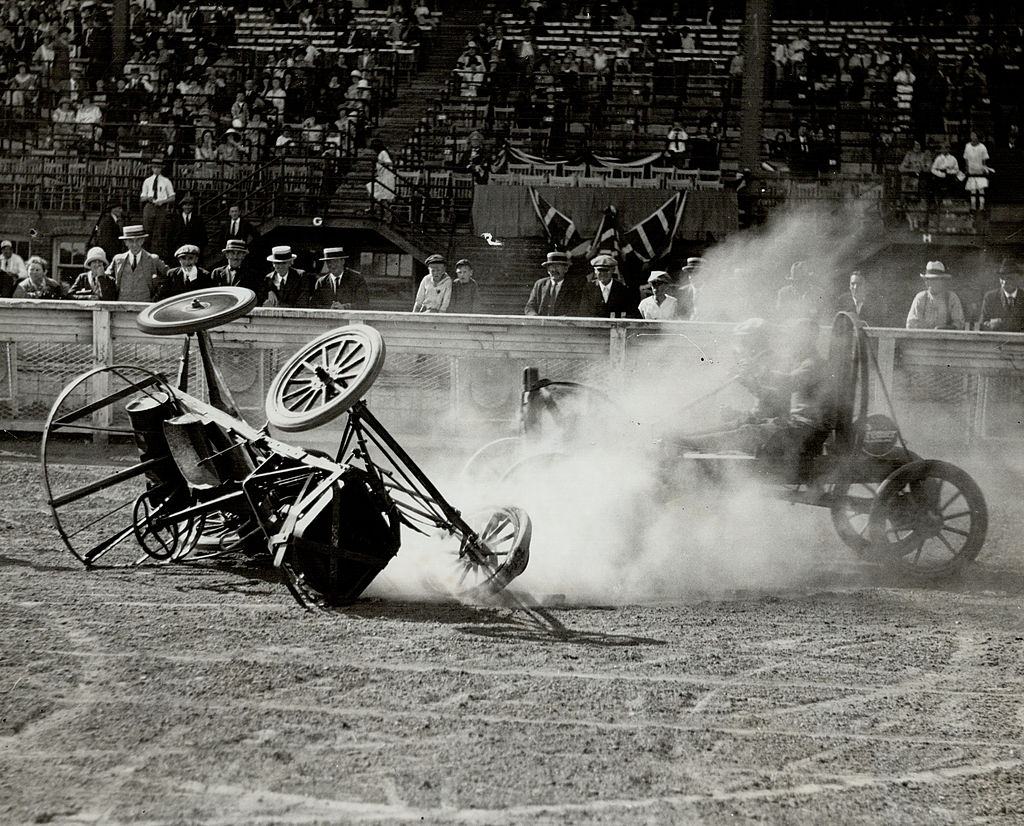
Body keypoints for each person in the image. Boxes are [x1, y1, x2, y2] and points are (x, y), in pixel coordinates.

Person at [679, 317, 829, 459]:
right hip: (798, 429)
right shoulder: (804, 363)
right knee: (745, 430)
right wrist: (750, 379)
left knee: (749, 432)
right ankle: (688, 441)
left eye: (795, 338)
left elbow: (788, 383)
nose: (790, 343)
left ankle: (689, 443)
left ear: (807, 339)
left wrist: (758, 373)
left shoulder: (812, 364)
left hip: (805, 433)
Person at [106, 225, 167, 302]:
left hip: (144, 306)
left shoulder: (153, 259)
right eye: (131, 241)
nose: (134, 244)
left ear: (143, 240)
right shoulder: (118, 260)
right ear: (125, 242)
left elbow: (169, 275)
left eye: (138, 240)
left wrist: (157, 296)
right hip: (122, 306)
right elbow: (106, 278)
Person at [906, 261, 966, 330]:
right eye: (928, 279)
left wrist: (944, 329)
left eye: (935, 279)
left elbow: (959, 323)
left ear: (942, 281)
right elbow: (911, 324)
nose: (930, 283)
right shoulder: (921, 298)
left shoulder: (951, 298)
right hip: (923, 339)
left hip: (946, 339)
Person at [524, 251, 588, 317]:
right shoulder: (540, 284)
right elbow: (529, 307)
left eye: (557, 266)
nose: (553, 270)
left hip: (563, 325)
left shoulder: (574, 287)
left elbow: (575, 310)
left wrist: (559, 321)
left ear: (566, 269)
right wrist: (535, 317)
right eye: (550, 267)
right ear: (548, 270)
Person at [139, 158, 176, 261]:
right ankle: (145, 256)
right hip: (149, 206)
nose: (156, 170)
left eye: (159, 167)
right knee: (147, 231)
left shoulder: (166, 181)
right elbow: (142, 197)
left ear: (161, 169)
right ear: (152, 168)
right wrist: (148, 198)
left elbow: (172, 197)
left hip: (161, 207)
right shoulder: (147, 181)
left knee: (159, 232)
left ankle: (156, 257)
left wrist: (163, 201)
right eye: (155, 167)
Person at [978, 263, 1024, 333]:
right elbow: (982, 325)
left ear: (1017, 279)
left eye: (1009, 278)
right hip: (997, 342)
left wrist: (999, 322)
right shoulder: (990, 297)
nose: (1004, 282)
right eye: (1002, 278)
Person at [963, 130, 992, 214]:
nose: (972, 137)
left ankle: (982, 207)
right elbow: (966, 159)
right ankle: (973, 207)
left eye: (974, 135)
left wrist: (984, 169)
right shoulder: (967, 146)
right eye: (971, 135)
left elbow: (984, 160)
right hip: (971, 171)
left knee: (981, 189)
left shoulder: (982, 147)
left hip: (980, 171)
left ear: (978, 137)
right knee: (972, 189)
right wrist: (967, 169)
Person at [366, 138, 396, 207]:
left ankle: (379, 209)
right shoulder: (380, 154)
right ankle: (374, 206)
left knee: (384, 195)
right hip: (382, 176)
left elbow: (389, 163)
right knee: (370, 186)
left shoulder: (383, 153)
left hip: (386, 177)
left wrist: (380, 162)